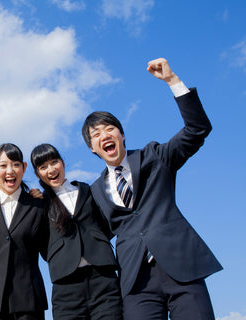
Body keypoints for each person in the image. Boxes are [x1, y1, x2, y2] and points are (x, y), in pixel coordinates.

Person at [81, 58, 222, 320]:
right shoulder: (95, 190)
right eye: (96, 134)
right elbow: (91, 235)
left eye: (110, 129)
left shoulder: (155, 156)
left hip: (181, 266)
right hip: (136, 283)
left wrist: (173, 81)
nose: (104, 135)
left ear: (122, 135)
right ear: (92, 147)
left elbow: (197, 129)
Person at [30, 143, 122, 320]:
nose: (50, 170)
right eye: (43, 167)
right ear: (37, 174)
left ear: (63, 163)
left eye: (54, 162)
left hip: (102, 278)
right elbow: (42, 243)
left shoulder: (88, 190)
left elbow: (106, 224)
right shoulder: (41, 203)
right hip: (66, 285)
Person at [0, 143, 49, 320]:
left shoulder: (38, 206)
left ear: (24, 168)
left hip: (28, 301)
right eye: (3, 165)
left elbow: (47, 249)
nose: (10, 171)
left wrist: (47, 201)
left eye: (15, 164)